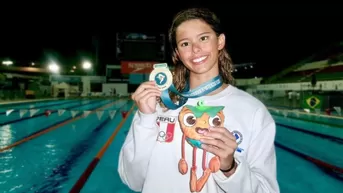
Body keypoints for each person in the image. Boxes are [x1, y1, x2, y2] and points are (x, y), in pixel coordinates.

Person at [118, 7, 280, 193]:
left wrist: (230, 168)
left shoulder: (253, 112)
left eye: (203, 38)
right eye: (185, 43)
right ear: (178, 53)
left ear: (220, 41)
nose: (196, 49)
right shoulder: (160, 106)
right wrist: (146, 119)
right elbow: (133, 181)